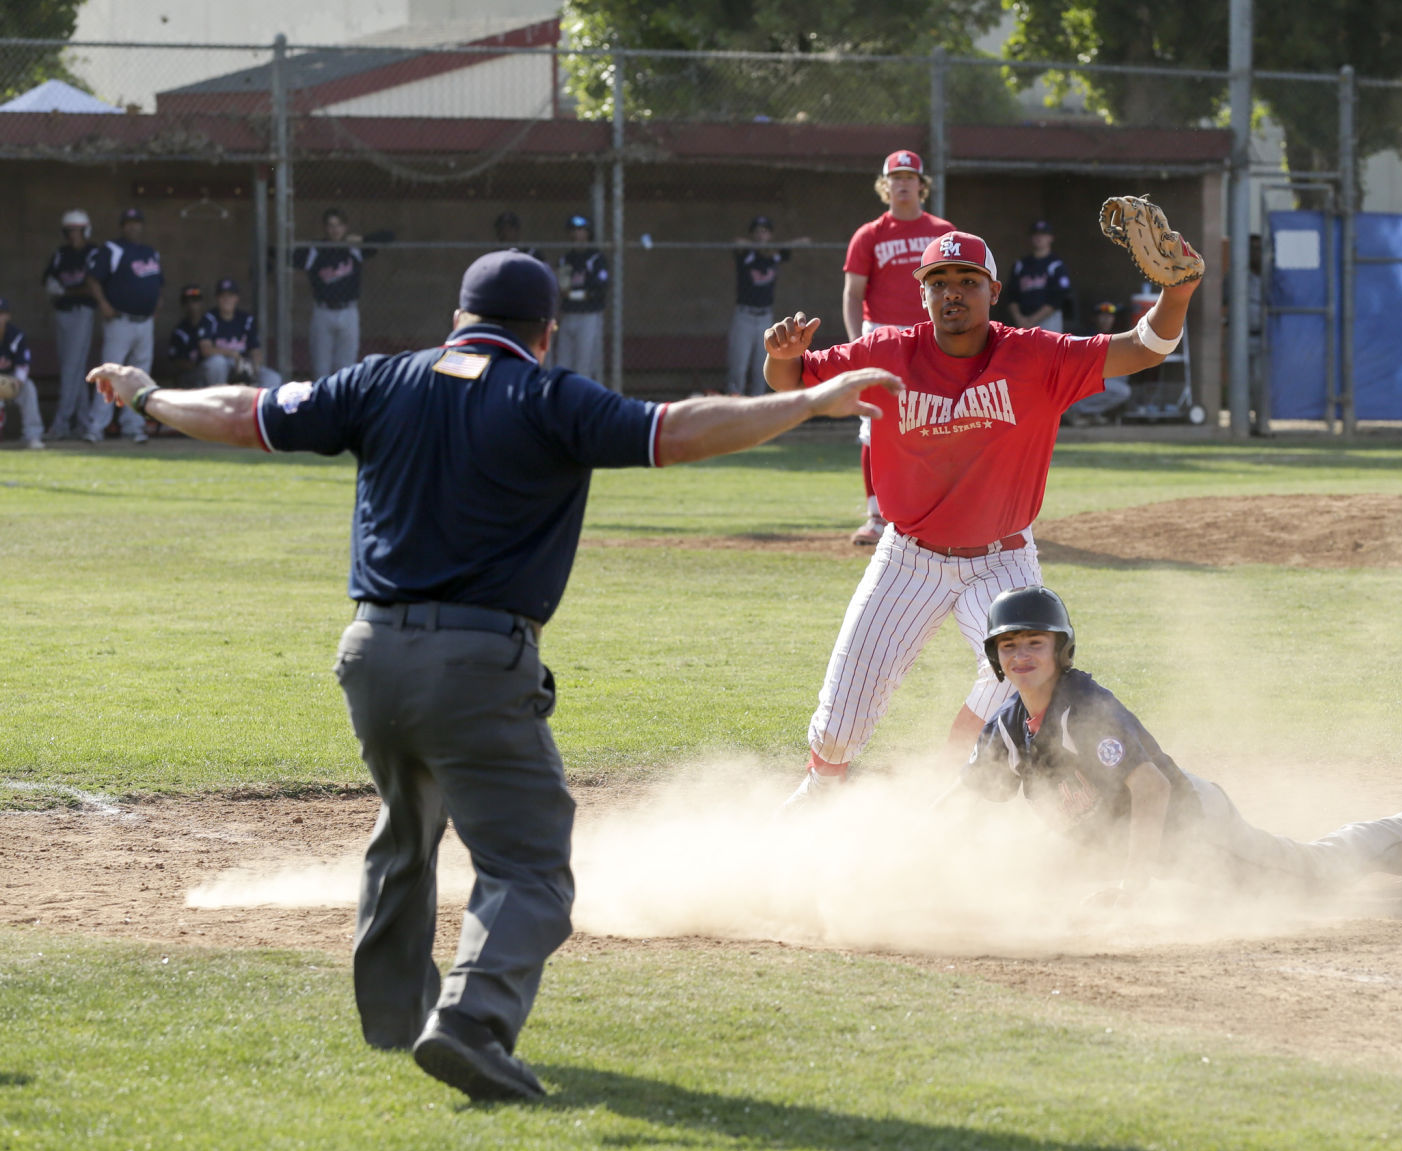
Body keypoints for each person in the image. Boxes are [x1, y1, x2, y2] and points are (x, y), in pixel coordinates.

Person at [85, 250, 897, 1103]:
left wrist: (146, 394)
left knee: (406, 833)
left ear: (457, 321)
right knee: (532, 867)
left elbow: (241, 411)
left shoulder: (380, 380)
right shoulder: (548, 395)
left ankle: (395, 1021)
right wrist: (805, 401)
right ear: (546, 333)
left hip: (370, 654)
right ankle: (471, 1023)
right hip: (476, 660)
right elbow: (680, 427)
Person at [765, 221, 1202, 801]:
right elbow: (790, 380)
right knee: (844, 709)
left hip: (1003, 561)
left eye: (967, 281)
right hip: (908, 558)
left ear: (994, 291)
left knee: (1028, 673)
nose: (952, 292)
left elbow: (1145, 348)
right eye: (938, 281)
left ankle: (959, 784)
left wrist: (1178, 293)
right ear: (923, 293)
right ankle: (819, 792)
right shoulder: (886, 353)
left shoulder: (1035, 355)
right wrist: (782, 356)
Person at [952, 586, 1402, 900]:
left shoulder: (1083, 707)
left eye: (1035, 643)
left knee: (1312, 876)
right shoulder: (1009, 727)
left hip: (1193, 827)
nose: (1021, 655)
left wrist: (1134, 886)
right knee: (1032, 878)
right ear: (996, 657)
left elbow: (1152, 789)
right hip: (1129, 842)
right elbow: (963, 799)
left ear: (1060, 650)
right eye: (1009, 645)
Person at [841, 150, 956, 545]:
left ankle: (936, 515)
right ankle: (876, 517)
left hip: (932, 335)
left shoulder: (942, 231)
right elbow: (853, 293)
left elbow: (955, 285)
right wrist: (857, 344)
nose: (903, 183)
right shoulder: (870, 234)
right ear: (885, 185)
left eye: (910, 177)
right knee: (874, 423)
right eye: (896, 177)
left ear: (921, 185)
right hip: (882, 335)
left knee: (942, 422)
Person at [84, 206, 162, 444]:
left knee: (140, 377)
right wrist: (103, 304)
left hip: (144, 323)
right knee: (109, 374)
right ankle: (96, 426)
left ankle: (134, 426)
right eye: (129, 223)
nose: (133, 226)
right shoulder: (113, 249)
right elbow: (93, 279)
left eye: (137, 222)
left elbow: (158, 284)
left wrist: (154, 307)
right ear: (122, 226)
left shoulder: (151, 252)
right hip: (120, 321)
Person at [293, 208, 384, 381]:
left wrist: (361, 239)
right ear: (325, 228)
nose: (335, 230)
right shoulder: (317, 249)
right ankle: (321, 398)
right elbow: (284, 255)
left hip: (348, 310)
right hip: (323, 311)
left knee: (347, 366)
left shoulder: (353, 248)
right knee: (321, 367)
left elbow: (387, 237)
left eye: (339, 225)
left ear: (345, 227)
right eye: (331, 225)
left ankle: (343, 398)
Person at [727, 216, 805, 397]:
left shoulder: (774, 256)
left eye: (765, 232)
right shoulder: (746, 254)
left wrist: (773, 248)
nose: (761, 235)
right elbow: (736, 242)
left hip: (765, 317)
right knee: (738, 366)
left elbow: (801, 243)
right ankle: (733, 406)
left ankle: (758, 406)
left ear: (770, 235)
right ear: (752, 234)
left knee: (761, 366)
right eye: (757, 231)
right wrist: (758, 247)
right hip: (744, 316)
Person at [41, 209, 98, 441]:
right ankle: (83, 422)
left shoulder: (93, 252)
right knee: (74, 369)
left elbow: (92, 286)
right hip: (62, 313)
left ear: (86, 231)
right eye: (69, 231)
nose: (73, 235)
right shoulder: (61, 253)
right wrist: (55, 288)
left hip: (81, 313)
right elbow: (48, 278)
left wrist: (66, 291)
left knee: (70, 369)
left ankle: (61, 423)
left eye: (78, 231)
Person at [197, 278, 281, 389]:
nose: (227, 299)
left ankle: (257, 400)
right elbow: (205, 350)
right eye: (223, 296)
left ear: (236, 298)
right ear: (217, 298)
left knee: (273, 377)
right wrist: (231, 353)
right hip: (221, 365)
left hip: (242, 365)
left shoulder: (246, 319)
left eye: (230, 296)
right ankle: (219, 396)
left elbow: (255, 349)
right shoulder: (209, 318)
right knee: (217, 363)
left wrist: (255, 365)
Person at [554, 214, 608, 383]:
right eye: (573, 230)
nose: (576, 234)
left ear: (588, 233)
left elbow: (599, 290)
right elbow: (560, 287)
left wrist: (574, 294)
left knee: (584, 365)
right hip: (568, 315)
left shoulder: (596, 258)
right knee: (563, 364)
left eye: (581, 230)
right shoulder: (566, 259)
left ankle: (585, 398)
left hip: (589, 316)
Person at [1063, 302, 1132, 426]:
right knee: (1123, 391)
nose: (1106, 320)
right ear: (1094, 318)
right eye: (1103, 316)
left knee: (1123, 380)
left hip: (1099, 378)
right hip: (1081, 381)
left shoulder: (1116, 336)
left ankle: (1089, 414)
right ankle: (1073, 410)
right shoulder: (1084, 336)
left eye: (1110, 316)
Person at [1006, 219, 1072, 333]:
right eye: (1036, 234)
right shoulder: (1020, 265)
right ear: (1030, 238)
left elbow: (1058, 297)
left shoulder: (1056, 265)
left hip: (1049, 320)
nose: (1039, 237)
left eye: (1043, 234)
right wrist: (1020, 319)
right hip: (1022, 320)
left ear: (1051, 238)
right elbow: (1011, 295)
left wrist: (1032, 320)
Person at [0, 299, 45, 450]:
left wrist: (17, 381)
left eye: (1, 314)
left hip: (11, 380)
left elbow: (22, 365)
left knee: (29, 388)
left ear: (8, 316)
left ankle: (32, 436)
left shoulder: (16, 335)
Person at [163, 285, 208, 388]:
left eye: (195, 301)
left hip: (210, 370)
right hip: (189, 375)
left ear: (202, 303)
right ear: (183, 305)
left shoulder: (210, 324)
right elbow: (176, 361)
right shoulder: (180, 331)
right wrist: (196, 367)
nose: (192, 305)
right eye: (188, 302)